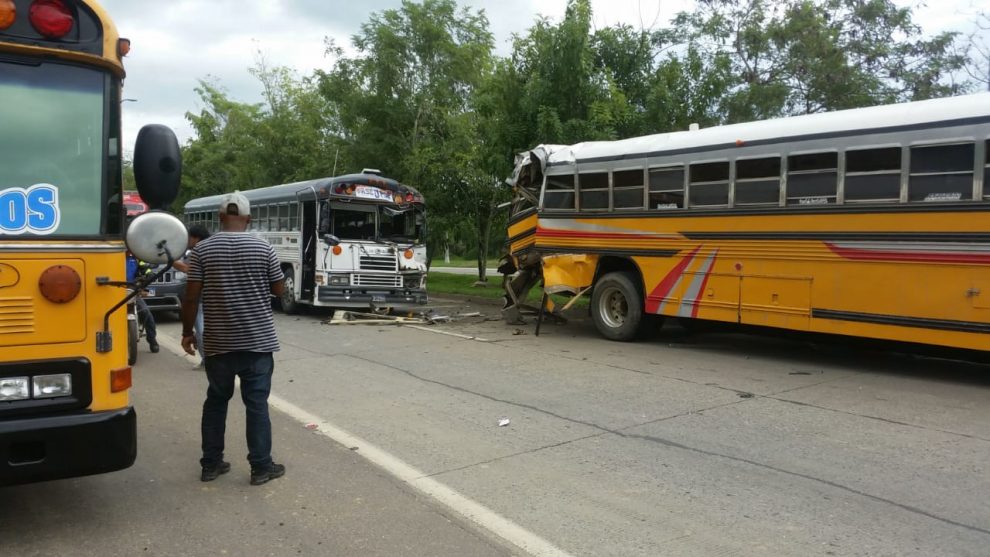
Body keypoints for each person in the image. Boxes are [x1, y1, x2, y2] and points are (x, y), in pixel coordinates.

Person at [180, 192, 287, 485]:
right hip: (258, 343)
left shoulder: (202, 251)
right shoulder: (264, 248)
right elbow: (279, 291)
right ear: (249, 219)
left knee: (216, 401)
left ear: (220, 218)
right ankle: (261, 468)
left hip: (218, 343)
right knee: (256, 404)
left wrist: (188, 332)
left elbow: (191, 298)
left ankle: (211, 465)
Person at [172, 224, 211, 369]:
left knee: (201, 331)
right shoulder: (211, 249)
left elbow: (186, 268)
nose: (188, 241)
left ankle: (207, 362)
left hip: (200, 300)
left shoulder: (198, 251)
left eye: (189, 238)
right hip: (212, 299)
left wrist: (168, 259)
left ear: (195, 238)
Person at [125, 252, 159, 353]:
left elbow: (146, 269)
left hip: (131, 292)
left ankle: (152, 340)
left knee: (146, 313)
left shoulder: (136, 259)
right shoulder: (111, 257)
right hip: (113, 293)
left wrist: (149, 275)